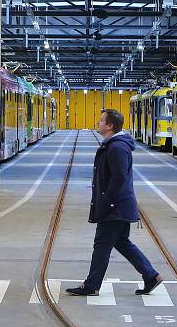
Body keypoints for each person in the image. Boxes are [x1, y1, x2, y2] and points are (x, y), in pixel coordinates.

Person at [66, 109, 163, 297]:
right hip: (119, 205)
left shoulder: (117, 148)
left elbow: (119, 177)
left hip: (115, 207)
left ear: (109, 126)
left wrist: (106, 200)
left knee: (101, 245)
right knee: (121, 242)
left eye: (101, 120)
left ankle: (91, 285)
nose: (98, 123)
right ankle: (150, 275)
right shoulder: (114, 145)